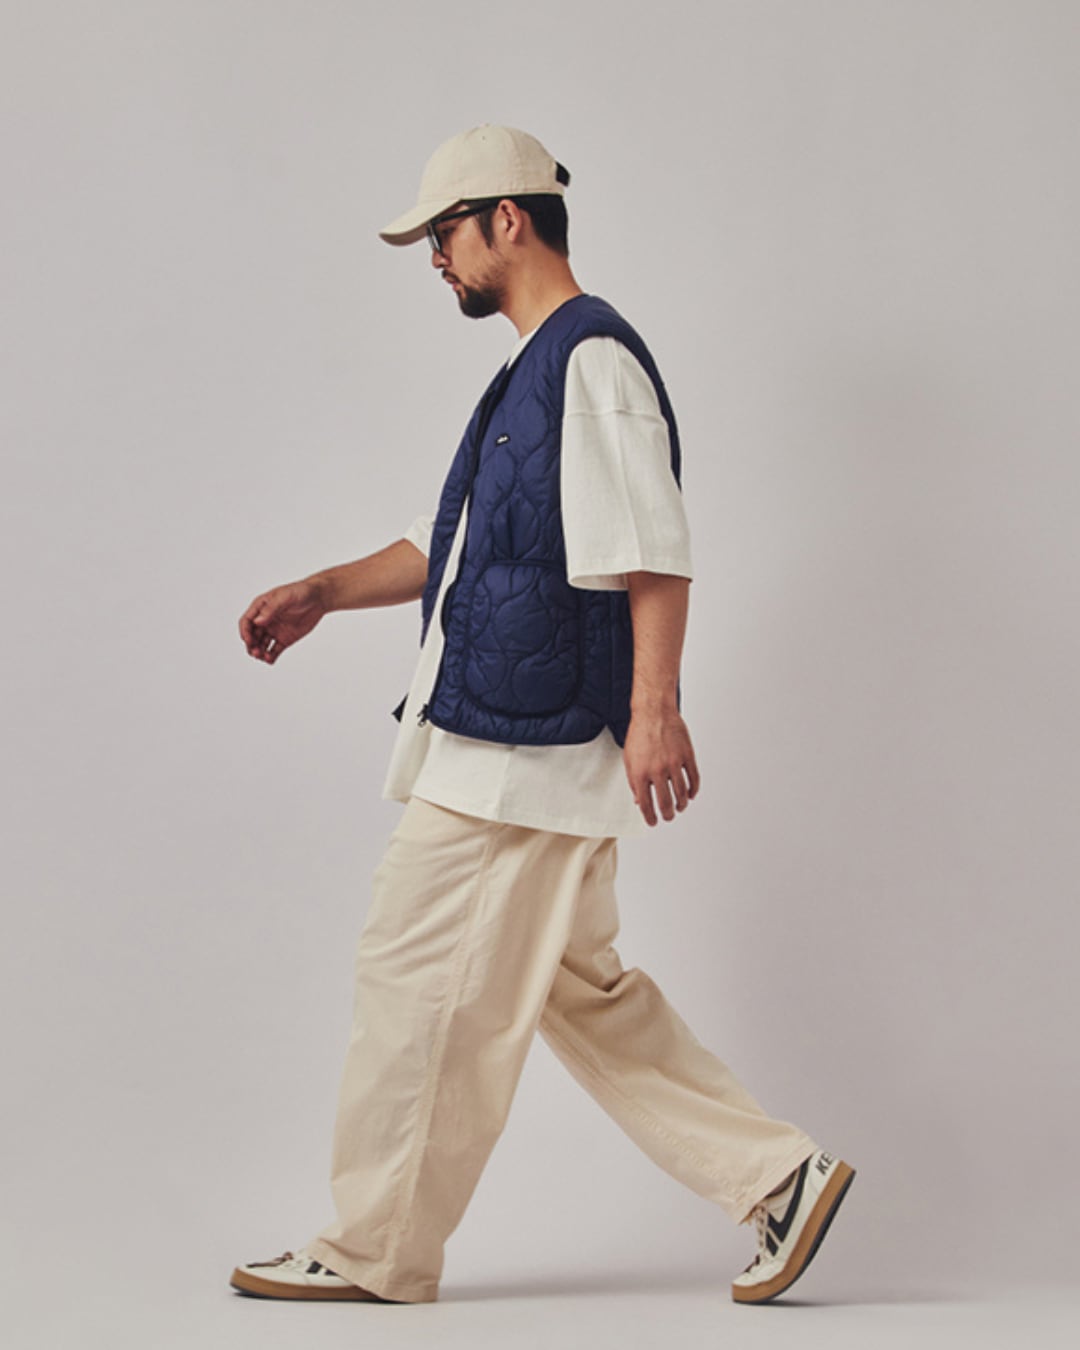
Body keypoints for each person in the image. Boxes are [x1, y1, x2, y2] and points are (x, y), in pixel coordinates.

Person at [229, 124, 854, 1307]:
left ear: (506, 220)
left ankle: (376, 1251)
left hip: (520, 755)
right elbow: (462, 544)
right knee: (578, 993)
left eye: (443, 234)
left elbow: (653, 548)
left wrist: (656, 709)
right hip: (517, 739)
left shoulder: (591, 362)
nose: (435, 259)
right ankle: (780, 1178)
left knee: (414, 978)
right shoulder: (531, 372)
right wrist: (325, 590)